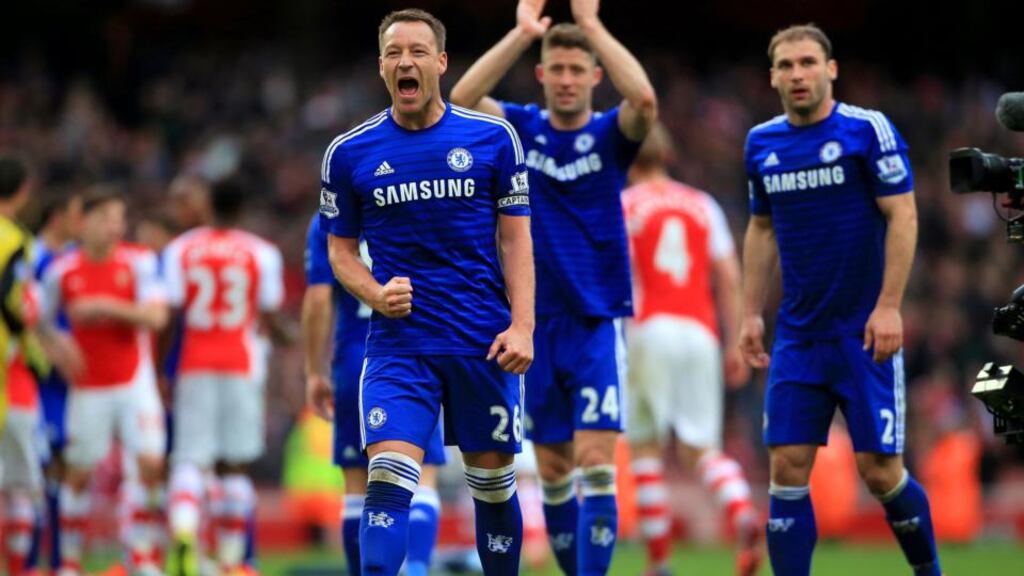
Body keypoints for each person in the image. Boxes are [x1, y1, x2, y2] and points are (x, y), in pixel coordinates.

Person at [317, 8, 534, 576]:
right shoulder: (349, 153)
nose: (404, 61)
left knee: (491, 485)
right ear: (381, 67)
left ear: (440, 62)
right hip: (398, 348)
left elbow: (516, 241)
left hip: (481, 341)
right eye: (393, 52)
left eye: (417, 51)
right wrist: (375, 291)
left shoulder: (492, 138)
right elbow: (339, 252)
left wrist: (524, 326)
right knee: (387, 480)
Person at [450, 0, 656, 572]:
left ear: (593, 76)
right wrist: (521, 35)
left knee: (595, 461)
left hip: (594, 321)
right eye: (556, 69)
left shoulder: (609, 136)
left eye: (576, 70)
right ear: (542, 75)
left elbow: (643, 101)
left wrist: (592, 26)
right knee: (556, 471)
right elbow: (460, 102)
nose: (566, 80)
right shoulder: (521, 128)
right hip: (531, 325)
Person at [739, 24, 942, 576]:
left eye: (808, 62)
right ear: (773, 77)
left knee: (879, 471)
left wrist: (890, 304)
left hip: (863, 331)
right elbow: (760, 228)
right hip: (798, 335)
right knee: (786, 466)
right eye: (786, 65)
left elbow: (902, 213)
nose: (797, 74)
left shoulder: (867, 130)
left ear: (831, 70)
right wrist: (750, 311)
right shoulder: (762, 143)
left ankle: (930, 572)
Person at [622, 124, 761, 576]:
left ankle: (659, 561)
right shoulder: (703, 204)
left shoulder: (624, 206)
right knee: (700, 447)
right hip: (701, 333)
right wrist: (736, 336)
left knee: (645, 449)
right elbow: (729, 275)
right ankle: (741, 511)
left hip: (650, 330)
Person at [303, 213, 447, 576]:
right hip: (413, 357)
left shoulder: (328, 220)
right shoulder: (411, 199)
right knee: (422, 475)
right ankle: (415, 570)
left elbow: (318, 298)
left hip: (355, 358)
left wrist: (314, 371)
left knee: (357, 483)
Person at [41, 188, 169, 576]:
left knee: (149, 465)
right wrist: (59, 349)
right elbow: (39, 321)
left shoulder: (140, 262)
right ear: (85, 222)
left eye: (120, 218)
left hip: (134, 382)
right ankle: (69, 562)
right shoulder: (61, 271)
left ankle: (142, 555)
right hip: (88, 386)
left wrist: (105, 306)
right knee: (78, 474)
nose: (116, 226)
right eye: (107, 218)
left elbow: (157, 318)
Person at [161, 178, 284, 576]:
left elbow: (170, 315)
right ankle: (232, 560)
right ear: (243, 210)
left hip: (195, 361)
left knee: (189, 458)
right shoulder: (260, 253)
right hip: (240, 363)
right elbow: (267, 314)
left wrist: (164, 368)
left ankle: (183, 532)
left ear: (209, 205)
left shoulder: (181, 249)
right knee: (234, 464)